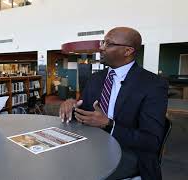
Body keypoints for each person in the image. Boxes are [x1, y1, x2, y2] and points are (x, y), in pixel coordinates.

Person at [59, 27, 168, 180]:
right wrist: (72, 105)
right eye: (103, 42)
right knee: (61, 163)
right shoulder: (95, 78)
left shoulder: (153, 85)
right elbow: (84, 113)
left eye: (108, 44)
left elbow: (151, 141)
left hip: (130, 153)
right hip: (92, 146)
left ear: (127, 51)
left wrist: (108, 124)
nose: (101, 47)